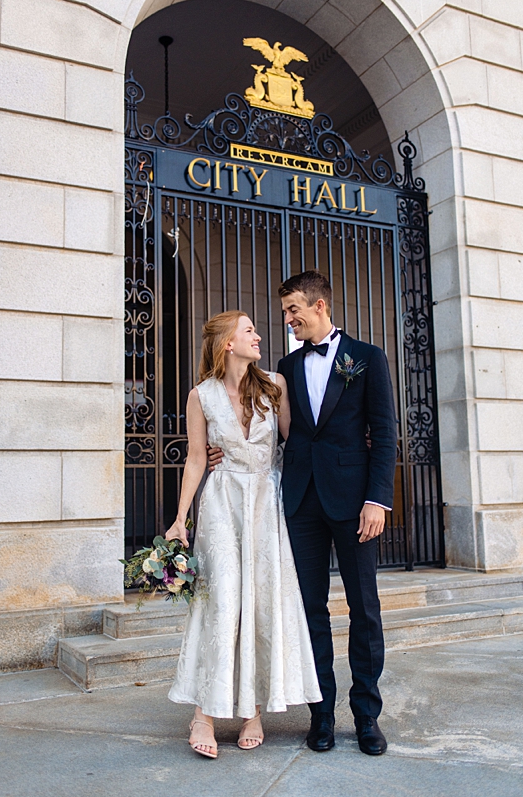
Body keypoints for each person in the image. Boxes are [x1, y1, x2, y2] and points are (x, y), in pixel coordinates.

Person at [209, 270, 397, 756]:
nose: (287, 318)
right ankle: (322, 716)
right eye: (285, 310)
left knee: (365, 609)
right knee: (310, 610)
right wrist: (219, 451)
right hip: (299, 503)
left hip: (357, 504)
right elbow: (262, 425)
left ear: (319, 307)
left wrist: (378, 499)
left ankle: (367, 717)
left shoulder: (368, 358)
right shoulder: (283, 367)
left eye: (293, 309)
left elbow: (385, 435)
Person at [165, 310, 322, 759]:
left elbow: (296, 439)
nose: (258, 336)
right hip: (221, 506)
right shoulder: (202, 396)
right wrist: (180, 519)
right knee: (222, 604)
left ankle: (253, 710)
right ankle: (204, 714)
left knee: (260, 602)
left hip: (267, 508)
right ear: (227, 344)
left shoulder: (274, 385)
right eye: (249, 330)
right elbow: (196, 459)